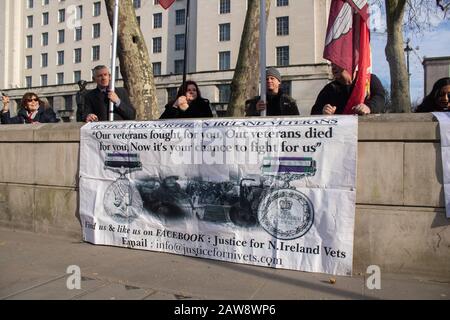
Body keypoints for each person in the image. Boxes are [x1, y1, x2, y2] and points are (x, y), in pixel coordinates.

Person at [310, 63, 385, 115]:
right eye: (332, 64)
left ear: (349, 63)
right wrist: (323, 112)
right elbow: (314, 112)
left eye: (337, 64)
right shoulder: (329, 89)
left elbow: (380, 98)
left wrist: (369, 107)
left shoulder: (369, 79)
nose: (333, 67)